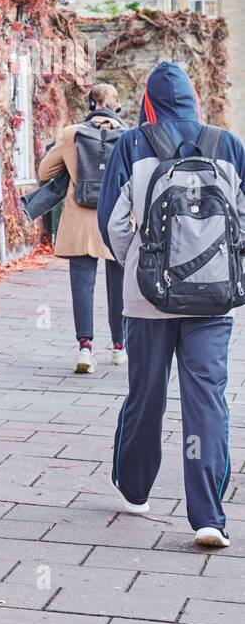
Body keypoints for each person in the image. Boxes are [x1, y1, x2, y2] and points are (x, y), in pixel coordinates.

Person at [98, 61, 243, 548]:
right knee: (207, 401)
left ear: (149, 101)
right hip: (213, 299)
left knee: (147, 395)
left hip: (147, 299)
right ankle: (207, 516)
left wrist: (140, 263)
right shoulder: (226, 143)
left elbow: (112, 221)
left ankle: (136, 488)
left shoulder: (133, 143)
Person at [38, 83, 127, 373]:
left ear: (90, 105)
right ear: (116, 107)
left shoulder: (71, 134)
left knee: (82, 286)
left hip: (79, 222)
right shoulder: (129, 137)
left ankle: (86, 349)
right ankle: (118, 347)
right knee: (119, 288)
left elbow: (44, 172)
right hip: (116, 221)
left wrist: (70, 166)